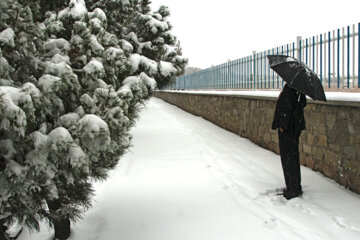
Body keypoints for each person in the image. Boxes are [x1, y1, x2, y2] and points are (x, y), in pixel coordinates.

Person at [272, 84, 307, 200]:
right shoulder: (299, 90)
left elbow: (286, 108)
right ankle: (295, 186)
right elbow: (302, 103)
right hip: (294, 127)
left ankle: (292, 189)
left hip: (288, 129)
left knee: (288, 158)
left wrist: (282, 125)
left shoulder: (291, 88)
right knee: (293, 157)